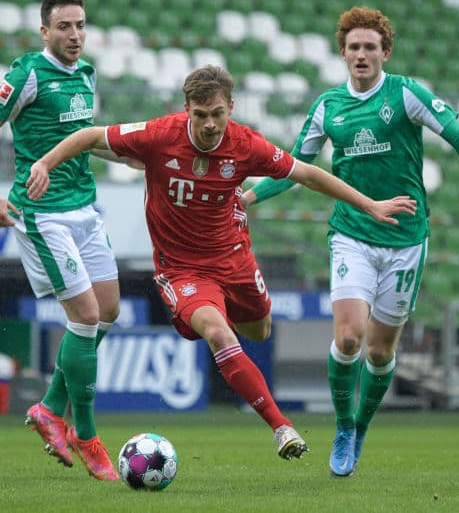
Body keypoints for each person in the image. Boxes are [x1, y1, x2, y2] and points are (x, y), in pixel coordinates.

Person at [25, 65, 417, 460]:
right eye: (200, 115)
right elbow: (91, 135)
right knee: (218, 333)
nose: (210, 124)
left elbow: (309, 174)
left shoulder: (246, 145)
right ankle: (282, 427)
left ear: (231, 107)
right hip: (181, 270)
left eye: (217, 113)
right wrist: (44, 163)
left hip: (234, 259)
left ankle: (223, 328)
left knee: (259, 330)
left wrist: (369, 205)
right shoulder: (161, 135)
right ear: (186, 109)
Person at [242, 7, 459, 477]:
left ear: (384, 52)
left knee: (379, 351)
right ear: (343, 54)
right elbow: (294, 168)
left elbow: (457, 134)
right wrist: (248, 196)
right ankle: (343, 426)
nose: (361, 55)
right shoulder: (328, 107)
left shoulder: (405, 93)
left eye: (370, 47)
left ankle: (362, 426)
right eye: (353, 47)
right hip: (351, 234)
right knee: (348, 336)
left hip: (406, 239)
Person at [0, 0, 138, 480]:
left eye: (81, 25)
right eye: (65, 26)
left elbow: (84, 139)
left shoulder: (87, 74)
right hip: (41, 215)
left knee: (108, 311)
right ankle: (85, 434)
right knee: (84, 315)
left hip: (85, 208)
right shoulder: (26, 74)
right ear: (45, 31)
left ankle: (48, 409)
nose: (75, 35)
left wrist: (134, 156)